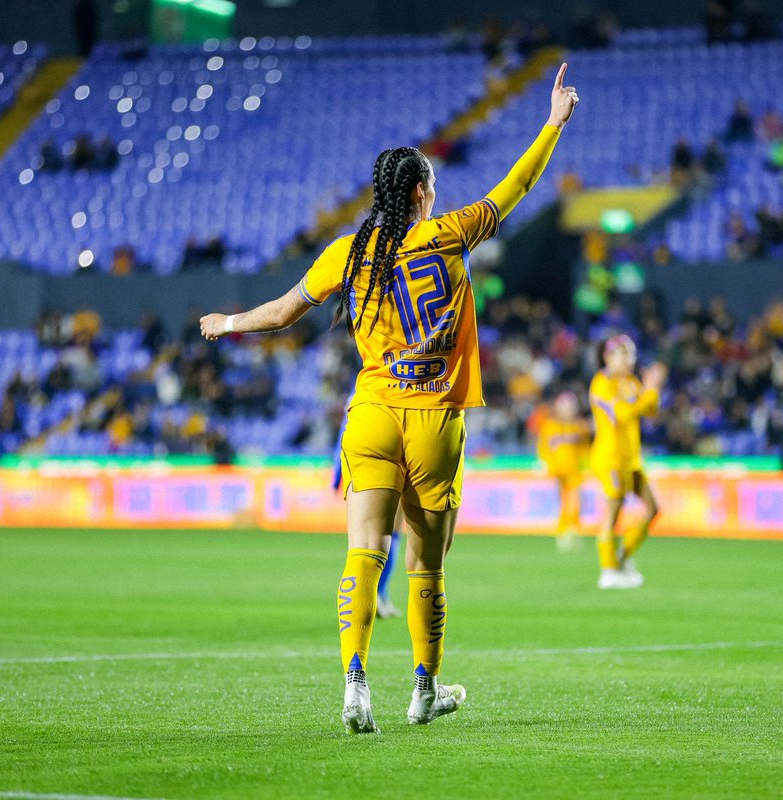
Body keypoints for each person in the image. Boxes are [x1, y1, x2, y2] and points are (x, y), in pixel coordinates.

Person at [200, 63, 579, 734]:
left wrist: (227, 323)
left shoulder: (348, 252)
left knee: (361, 551)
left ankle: (353, 685)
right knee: (424, 565)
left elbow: (284, 313)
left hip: (369, 414)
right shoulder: (450, 232)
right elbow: (516, 187)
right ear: (425, 192)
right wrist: (551, 123)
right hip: (433, 418)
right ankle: (423, 690)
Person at [588, 335, 665, 590]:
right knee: (612, 513)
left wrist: (653, 386)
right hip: (610, 458)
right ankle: (608, 571)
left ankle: (622, 557)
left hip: (631, 458)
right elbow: (622, 414)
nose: (630, 359)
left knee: (653, 509)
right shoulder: (602, 384)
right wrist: (650, 391)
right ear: (609, 356)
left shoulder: (630, 382)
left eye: (632, 354)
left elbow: (651, 411)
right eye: (625, 354)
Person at [333, 397, 402, 618]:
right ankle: (375, 595)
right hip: (384, 460)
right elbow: (347, 426)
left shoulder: (369, 382)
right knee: (380, 534)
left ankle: (381, 595)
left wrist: (337, 470)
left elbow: (346, 428)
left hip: (382, 455)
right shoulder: (377, 384)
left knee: (381, 535)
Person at [537, 391, 591, 551]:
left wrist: (587, 465)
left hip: (575, 472)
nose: (567, 410)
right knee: (562, 503)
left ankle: (573, 531)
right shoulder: (549, 427)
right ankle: (563, 532)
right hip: (557, 473)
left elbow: (585, 449)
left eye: (570, 407)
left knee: (575, 503)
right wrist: (548, 465)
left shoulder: (580, 427)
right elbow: (544, 449)